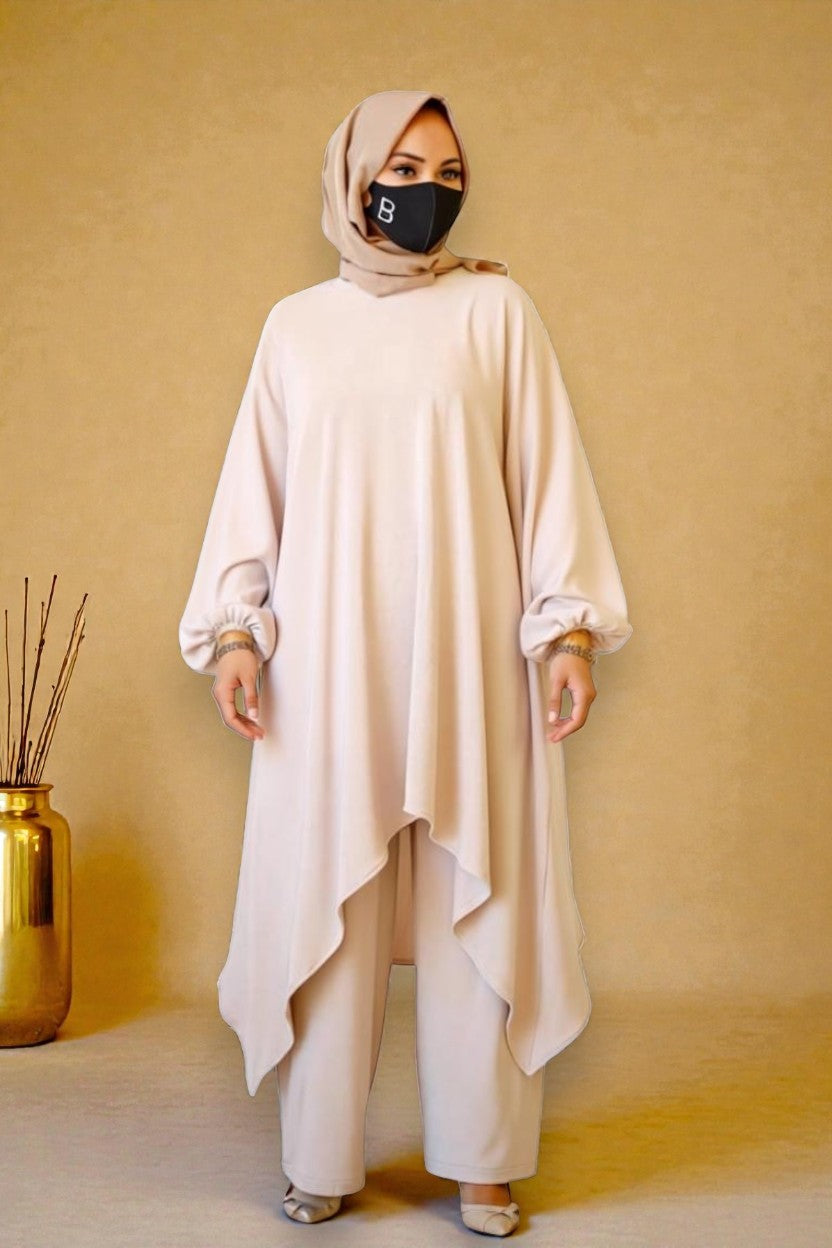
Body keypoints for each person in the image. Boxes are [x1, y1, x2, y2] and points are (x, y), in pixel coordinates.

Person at [178, 89, 633, 1237]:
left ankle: (484, 1164)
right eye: (406, 167)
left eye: (450, 170)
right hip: (328, 666)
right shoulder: (295, 329)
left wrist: (567, 631)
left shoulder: (496, 311)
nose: (430, 190)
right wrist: (236, 634)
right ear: (355, 178)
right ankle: (319, 1157)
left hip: (470, 658)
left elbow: (546, 477)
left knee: (477, 897)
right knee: (329, 902)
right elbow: (254, 495)